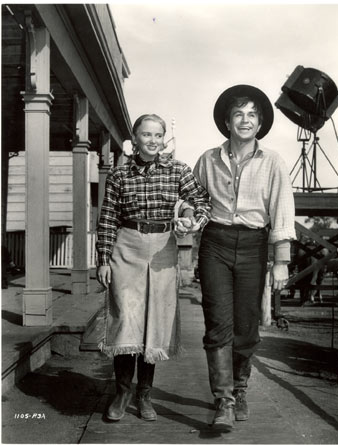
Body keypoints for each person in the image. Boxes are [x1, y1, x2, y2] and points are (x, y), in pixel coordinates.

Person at [182, 85, 296, 431]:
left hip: (253, 244)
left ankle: (241, 387)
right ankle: (224, 400)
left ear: (259, 124)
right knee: (218, 322)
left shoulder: (273, 161)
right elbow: (193, 200)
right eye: (238, 114)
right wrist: (187, 218)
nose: (245, 121)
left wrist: (281, 260)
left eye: (251, 115)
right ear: (227, 123)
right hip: (215, 242)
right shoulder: (207, 159)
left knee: (246, 325)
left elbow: (282, 210)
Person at [95, 113, 211, 423]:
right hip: (127, 247)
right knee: (125, 320)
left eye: (158, 135)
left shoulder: (178, 170)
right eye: (146, 135)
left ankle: (145, 395)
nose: (153, 140)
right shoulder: (119, 176)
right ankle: (122, 393)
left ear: (163, 139)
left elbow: (202, 201)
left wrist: (192, 223)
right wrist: (103, 260)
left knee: (154, 323)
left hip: (162, 248)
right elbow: (107, 220)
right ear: (135, 139)